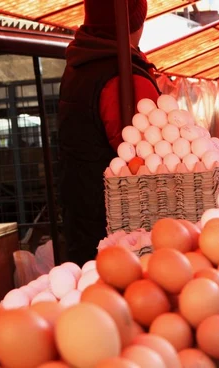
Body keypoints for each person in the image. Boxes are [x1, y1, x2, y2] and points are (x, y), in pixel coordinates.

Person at [58, 0, 160, 266]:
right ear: (135, 21)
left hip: (83, 219)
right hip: (118, 234)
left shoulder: (79, 66)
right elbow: (146, 162)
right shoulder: (123, 75)